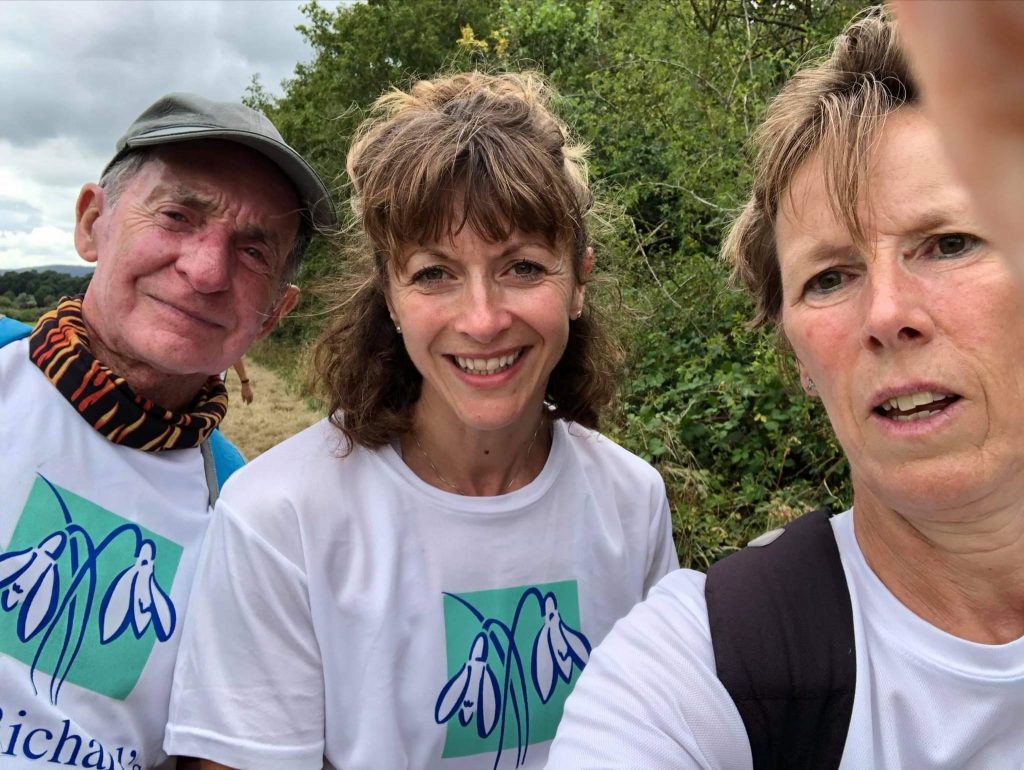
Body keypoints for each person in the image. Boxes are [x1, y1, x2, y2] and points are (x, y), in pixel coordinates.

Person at [548, 10, 1024, 769]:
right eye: (830, 277)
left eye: (950, 243)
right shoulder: (701, 671)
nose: (889, 314)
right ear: (798, 354)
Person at [164, 72, 678, 770]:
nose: (483, 318)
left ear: (579, 281)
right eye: (434, 273)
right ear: (392, 299)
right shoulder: (280, 518)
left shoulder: (633, 501)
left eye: (523, 267)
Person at [0, 93, 334, 768]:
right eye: (179, 216)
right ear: (92, 223)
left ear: (273, 314)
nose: (206, 271)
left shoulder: (246, 513)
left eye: (253, 252)